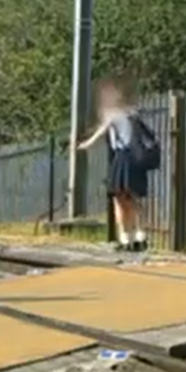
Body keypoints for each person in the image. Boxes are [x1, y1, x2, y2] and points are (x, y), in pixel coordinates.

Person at [77, 78, 149, 252]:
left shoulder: (113, 114)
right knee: (133, 199)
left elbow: (100, 133)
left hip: (122, 158)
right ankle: (140, 235)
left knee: (119, 199)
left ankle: (125, 238)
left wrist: (84, 145)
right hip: (136, 158)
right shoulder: (133, 113)